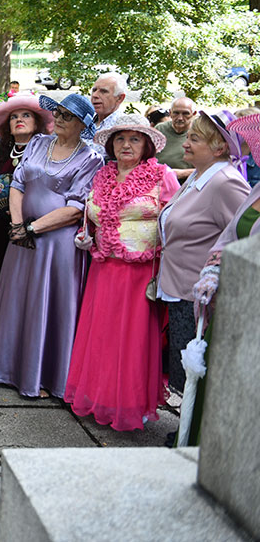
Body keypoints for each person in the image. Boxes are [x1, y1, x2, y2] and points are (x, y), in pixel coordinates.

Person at [0, 94, 103, 397]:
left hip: (57, 244)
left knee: (49, 305)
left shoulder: (91, 158)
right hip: (21, 236)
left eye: (68, 116)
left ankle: (46, 377)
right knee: (17, 301)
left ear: (82, 125)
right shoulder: (37, 144)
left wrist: (34, 228)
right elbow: (17, 184)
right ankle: (8, 368)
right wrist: (18, 226)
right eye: (58, 113)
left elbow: (77, 208)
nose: (59, 119)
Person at [64, 115, 180, 431]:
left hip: (139, 274)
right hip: (104, 269)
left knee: (133, 340)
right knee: (101, 336)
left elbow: (175, 221)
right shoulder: (102, 176)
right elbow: (92, 214)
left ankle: (130, 405)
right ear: (112, 145)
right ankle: (98, 398)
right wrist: (85, 234)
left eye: (134, 139)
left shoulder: (162, 175)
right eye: (120, 139)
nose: (126, 145)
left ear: (146, 145)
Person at [157, 112, 248, 394]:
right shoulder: (201, 176)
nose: (185, 143)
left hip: (197, 298)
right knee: (183, 375)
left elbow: (243, 236)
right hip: (179, 289)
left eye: (194, 139)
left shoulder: (225, 182)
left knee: (194, 377)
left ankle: (188, 436)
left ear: (218, 148)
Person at [187, 112, 260, 445]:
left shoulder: (229, 181)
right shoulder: (257, 189)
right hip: (231, 303)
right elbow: (230, 232)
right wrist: (212, 269)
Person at [0, 94, 55, 349]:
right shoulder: (1, 153)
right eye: (14, 117)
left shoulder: (48, 150)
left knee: (26, 287)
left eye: (26, 115)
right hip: (0, 227)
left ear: (38, 122)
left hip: (34, 227)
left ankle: (24, 347)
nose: (19, 120)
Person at [154, 97, 196, 181]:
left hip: (185, 185)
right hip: (158, 183)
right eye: (176, 113)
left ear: (193, 114)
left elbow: (209, 169)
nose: (180, 118)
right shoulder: (159, 129)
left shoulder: (199, 133)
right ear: (170, 113)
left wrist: (182, 174)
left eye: (185, 114)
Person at [85, 72, 127, 154]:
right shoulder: (85, 121)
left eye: (103, 91)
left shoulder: (123, 126)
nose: (95, 95)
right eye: (94, 90)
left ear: (119, 98)